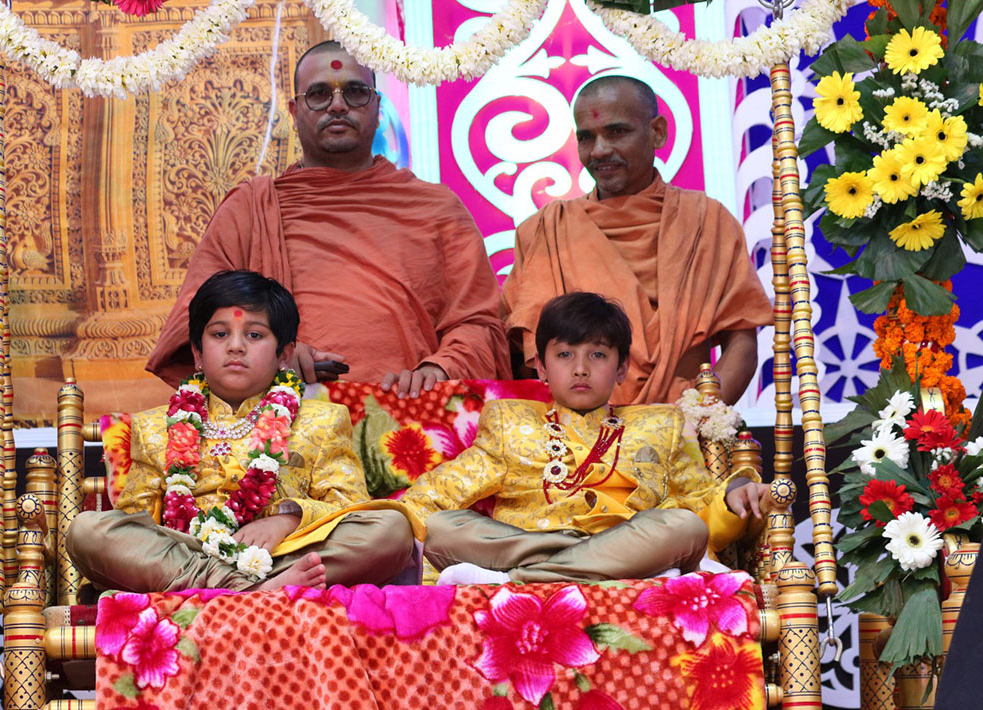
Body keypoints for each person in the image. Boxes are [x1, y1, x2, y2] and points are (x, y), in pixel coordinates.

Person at [146, 40, 510, 398]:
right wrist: (272, 353)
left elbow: (480, 323)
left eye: (355, 92)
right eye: (319, 94)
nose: (338, 105)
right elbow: (199, 323)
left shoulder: (437, 208)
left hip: (410, 414)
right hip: (280, 419)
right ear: (294, 111)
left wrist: (440, 370)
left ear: (377, 106)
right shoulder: (249, 210)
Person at [69, 270, 418, 592]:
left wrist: (289, 520)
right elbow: (137, 526)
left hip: (285, 555)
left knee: (391, 530)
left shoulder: (323, 420)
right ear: (197, 353)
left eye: (254, 334)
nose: (236, 346)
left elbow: (351, 507)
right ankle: (250, 591)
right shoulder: (154, 427)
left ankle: (232, 591)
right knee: (86, 531)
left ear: (284, 355)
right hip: (189, 557)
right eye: (220, 334)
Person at [401, 292, 770, 585]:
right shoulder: (509, 422)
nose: (580, 369)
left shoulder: (660, 424)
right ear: (542, 367)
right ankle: (571, 569)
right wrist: (388, 525)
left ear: (621, 367)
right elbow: (436, 495)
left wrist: (734, 492)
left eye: (597, 354)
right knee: (445, 528)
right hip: (536, 544)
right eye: (564, 354)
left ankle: (515, 581)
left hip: (625, 543)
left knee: (682, 527)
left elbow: (701, 506)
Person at [501, 75, 773, 405]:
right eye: (587, 137)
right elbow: (521, 354)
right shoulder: (545, 230)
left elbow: (741, 341)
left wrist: (704, 419)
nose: (600, 150)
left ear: (657, 131)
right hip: (573, 429)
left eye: (617, 132)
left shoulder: (707, 222)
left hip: (683, 422)